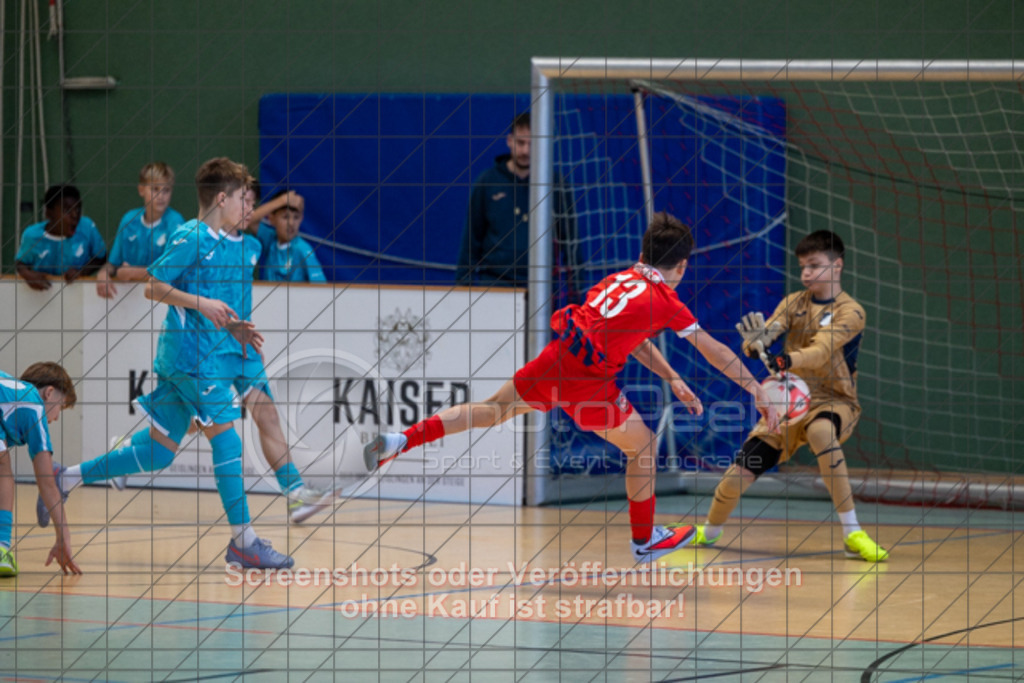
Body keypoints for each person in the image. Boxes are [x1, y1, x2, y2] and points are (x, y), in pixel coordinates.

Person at [368, 212, 779, 564]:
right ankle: (644, 541)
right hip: (588, 381)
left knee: (492, 410)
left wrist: (671, 377)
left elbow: (632, 338)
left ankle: (400, 439)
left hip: (558, 356)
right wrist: (756, 388)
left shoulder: (620, 279)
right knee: (643, 447)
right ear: (683, 266)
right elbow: (714, 350)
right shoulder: (665, 299)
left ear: (643, 254)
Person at [36, 158, 294, 569]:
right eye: (242, 197)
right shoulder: (191, 234)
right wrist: (203, 303)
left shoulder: (222, 241)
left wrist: (232, 328)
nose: (247, 204)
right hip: (191, 360)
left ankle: (68, 477)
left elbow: (210, 302)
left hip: (195, 356)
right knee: (226, 440)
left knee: (160, 452)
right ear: (222, 198)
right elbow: (153, 287)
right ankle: (244, 542)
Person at [695, 230, 889, 562]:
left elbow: (821, 349)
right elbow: (766, 334)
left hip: (833, 400)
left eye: (814, 265)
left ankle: (852, 532)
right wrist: (756, 345)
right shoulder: (793, 302)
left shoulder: (851, 312)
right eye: (803, 267)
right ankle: (709, 532)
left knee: (821, 433)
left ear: (837, 265)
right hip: (786, 405)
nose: (806, 274)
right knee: (735, 479)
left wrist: (786, 360)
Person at [456, 112, 581, 297]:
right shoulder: (487, 182)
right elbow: (470, 241)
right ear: (509, 140)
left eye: (532, 144)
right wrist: (462, 287)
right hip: (495, 285)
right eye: (520, 143)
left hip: (542, 287)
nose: (525, 151)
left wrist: (576, 292)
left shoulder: (556, 184)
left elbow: (571, 242)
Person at [1, 362, 82, 575]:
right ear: (49, 393)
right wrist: (63, 537)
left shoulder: (10, 397)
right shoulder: (33, 404)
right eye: (60, 408)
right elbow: (47, 482)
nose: (55, 418)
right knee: (3, 469)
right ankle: (1, 547)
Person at [97, 162, 185, 299]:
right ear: (141, 190)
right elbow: (113, 263)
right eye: (155, 189)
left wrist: (132, 272)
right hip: (129, 302)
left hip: (162, 302)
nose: (161, 196)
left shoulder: (176, 222)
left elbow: (174, 269)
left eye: (166, 190)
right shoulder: (129, 220)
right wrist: (103, 273)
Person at [16, 184, 106, 291]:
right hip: (40, 296)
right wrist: (27, 274)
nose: (74, 215)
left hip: (76, 295)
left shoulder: (87, 227)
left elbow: (101, 257)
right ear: (49, 214)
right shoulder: (32, 235)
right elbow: (20, 263)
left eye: (77, 209)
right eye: (67, 210)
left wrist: (82, 271)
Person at [255, 189, 327, 283]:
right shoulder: (270, 240)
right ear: (271, 219)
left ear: (301, 218)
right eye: (285, 217)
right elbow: (249, 220)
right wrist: (282, 201)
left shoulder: (302, 250)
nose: (291, 223)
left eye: (296, 217)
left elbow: (321, 287)